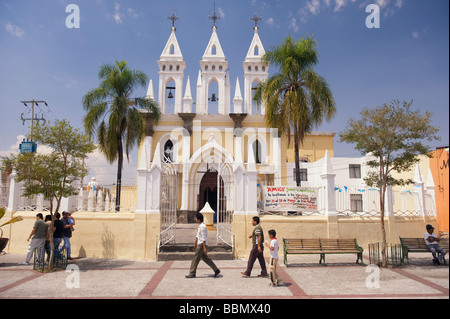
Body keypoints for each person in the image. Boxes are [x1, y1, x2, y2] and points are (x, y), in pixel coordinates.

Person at [185, 213, 221, 279]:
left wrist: (204, 248)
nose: (195, 219)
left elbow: (204, 238)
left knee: (195, 259)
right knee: (205, 258)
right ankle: (216, 270)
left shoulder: (203, 227)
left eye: (196, 218)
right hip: (200, 243)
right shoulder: (200, 226)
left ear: (199, 219)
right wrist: (195, 243)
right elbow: (198, 235)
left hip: (202, 244)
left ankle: (192, 273)